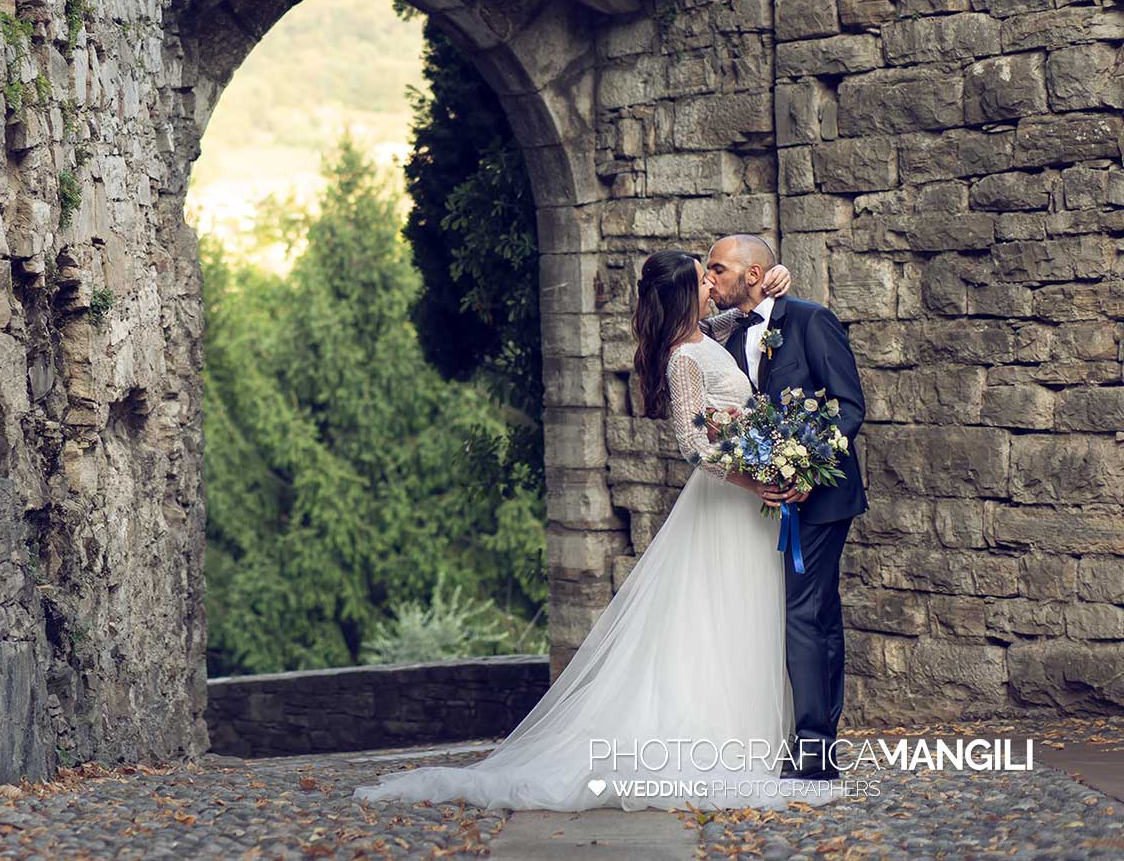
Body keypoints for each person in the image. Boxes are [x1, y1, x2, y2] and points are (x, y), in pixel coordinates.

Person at [354, 248, 851, 812]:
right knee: (719, 618)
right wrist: (753, 482)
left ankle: (766, 742)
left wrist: (779, 282)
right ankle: (715, 745)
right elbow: (693, 447)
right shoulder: (683, 357)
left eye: (714, 273)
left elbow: (752, 314)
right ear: (687, 294)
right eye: (703, 276)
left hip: (746, 507)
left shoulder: (708, 331)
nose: (713, 283)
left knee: (749, 616)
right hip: (726, 503)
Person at [703, 234, 867, 781]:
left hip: (820, 494)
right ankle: (815, 730)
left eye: (718, 269)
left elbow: (849, 405)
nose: (710, 278)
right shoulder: (722, 333)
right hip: (766, 496)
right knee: (817, 613)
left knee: (804, 610)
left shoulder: (811, 319)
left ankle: (814, 751)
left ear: (752, 274)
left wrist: (806, 466)